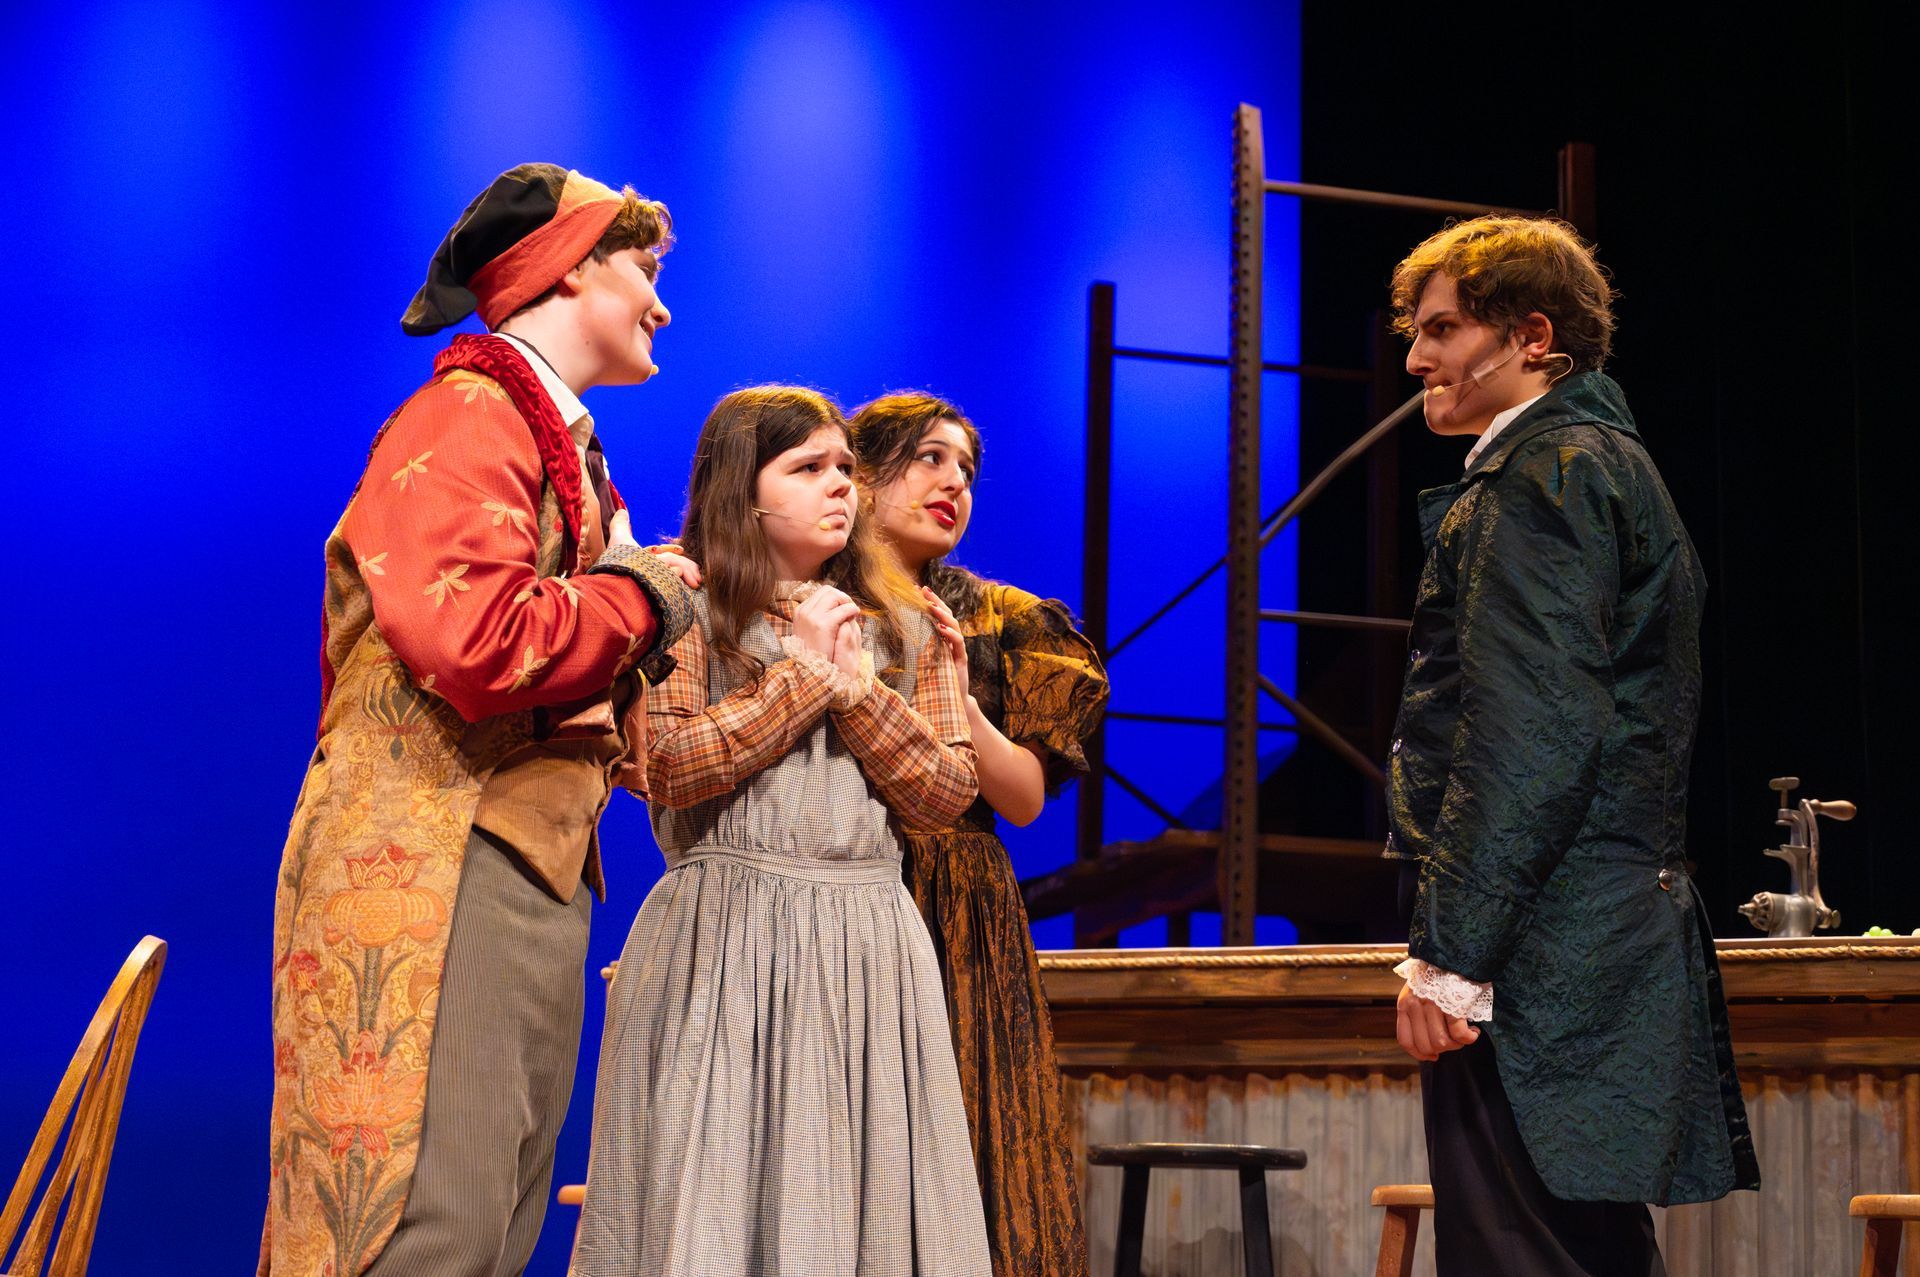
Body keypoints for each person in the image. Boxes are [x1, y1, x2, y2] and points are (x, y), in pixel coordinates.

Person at [262, 164, 695, 1277]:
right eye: (640, 269)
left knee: (496, 1220)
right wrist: (642, 591)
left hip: (529, 857)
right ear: (562, 270)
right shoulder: (467, 416)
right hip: (443, 852)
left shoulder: (563, 448)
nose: (661, 302)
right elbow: (479, 638)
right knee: (428, 1222)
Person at [1384, 216, 1759, 1275]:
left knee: (1523, 1250)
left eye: (1444, 328)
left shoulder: (1544, 477)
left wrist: (1453, 955)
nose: (1418, 359)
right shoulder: (1596, 463)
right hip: (1582, 929)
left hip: (1542, 947)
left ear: (1533, 335)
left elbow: (1529, 733)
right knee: (1574, 1245)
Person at [570, 386, 993, 1277]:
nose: (839, 486)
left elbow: (947, 791)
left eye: (845, 468)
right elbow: (673, 766)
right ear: (742, 490)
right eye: (808, 469)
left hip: (868, 944)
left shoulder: (912, 626)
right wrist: (800, 675)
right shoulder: (679, 605)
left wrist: (857, 690)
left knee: (859, 1203)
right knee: (717, 1194)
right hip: (727, 935)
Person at [846, 392, 1107, 1277]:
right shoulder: (806, 601)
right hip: (836, 879)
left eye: (966, 468)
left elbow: (1028, 796)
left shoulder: (1006, 620)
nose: (953, 481)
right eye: (927, 458)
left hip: (954, 901)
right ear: (865, 469)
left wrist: (947, 690)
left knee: (967, 1122)